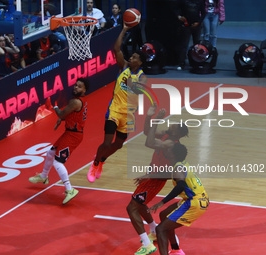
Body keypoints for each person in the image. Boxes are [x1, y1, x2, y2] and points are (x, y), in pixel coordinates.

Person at [87, 23, 147, 183]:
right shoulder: (124, 66)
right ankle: (95, 163)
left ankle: (102, 159)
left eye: (135, 57)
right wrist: (125, 29)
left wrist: (130, 85)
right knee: (106, 142)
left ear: (139, 63)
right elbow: (117, 49)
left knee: (118, 145)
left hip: (127, 115)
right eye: (132, 56)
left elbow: (139, 92)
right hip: (114, 110)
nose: (131, 58)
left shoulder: (142, 77)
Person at [128, 106, 188, 255]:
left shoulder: (171, 144)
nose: (169, 125)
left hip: (155, 178)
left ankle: (147, 245)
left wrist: (157, 120)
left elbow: (148, 143)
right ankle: (154, 230)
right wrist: (149, 117)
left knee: (132, 208)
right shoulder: (165, 136)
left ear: (178, 133)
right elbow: (147, 133)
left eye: (172, 126)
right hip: (152, 174)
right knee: (140, 205)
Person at [28, 78, 89, 204]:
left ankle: (69, 189)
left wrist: (55, 107)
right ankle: (44, 177)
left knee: (57, 162)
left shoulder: (75, 102)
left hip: (73, 136)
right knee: (50, 153)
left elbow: (61, 114)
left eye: (79, 87)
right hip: (71, 132)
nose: (75, 88)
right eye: (75, 85)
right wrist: (63, 119)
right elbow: (71, 115)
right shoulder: (81, 101)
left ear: (84, 90)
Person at [147, 144, 209, 254]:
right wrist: (148, 176)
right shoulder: (181, 164)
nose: (166, 150)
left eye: (169, 150)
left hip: (194, 203)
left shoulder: (178, 168)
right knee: (164, 215)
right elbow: (169, 174)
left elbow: (180, 185)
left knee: (160, 229)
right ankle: (176, 250)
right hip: (199, 198)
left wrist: (162, 202)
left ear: (173, 154)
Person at [174, 0, 206, 70]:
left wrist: (199, 22)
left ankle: (197, 62)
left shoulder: (200, 1)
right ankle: (181, 63)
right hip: (186, 25)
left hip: (196, 25)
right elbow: (176, 8)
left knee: (197, 45)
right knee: (184, 45)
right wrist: (179, 16)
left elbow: (203, 12)